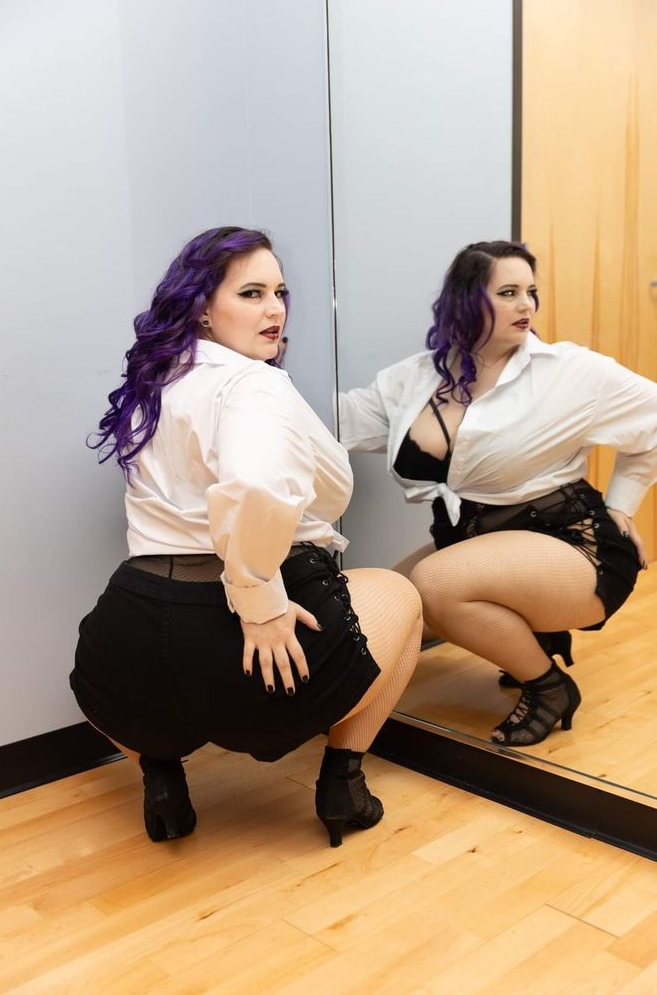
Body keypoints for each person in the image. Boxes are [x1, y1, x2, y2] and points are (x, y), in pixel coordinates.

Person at [71, 226, 422, 847]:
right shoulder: (251, 383)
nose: (275, 309)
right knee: (404, 595)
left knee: (102, 681)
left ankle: (160, 776)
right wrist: (258, 604)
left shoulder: (157, 380)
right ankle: (343, 779)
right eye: (253, 293)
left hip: (136, 624)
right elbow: (257, 487)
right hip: (231, 626)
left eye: (280, 292)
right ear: (202, 307)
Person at [339, 240, 657, 747]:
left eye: (531, 292)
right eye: (508, 292)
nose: (526, 305)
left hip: (574, 545)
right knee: (388, 606)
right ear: (465, 301)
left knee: (435, 584)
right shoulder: (418, 376)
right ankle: (532, 637)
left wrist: (623, 501)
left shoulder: (570, 372)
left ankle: (549, 688)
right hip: (476, 541)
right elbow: (337, 424)